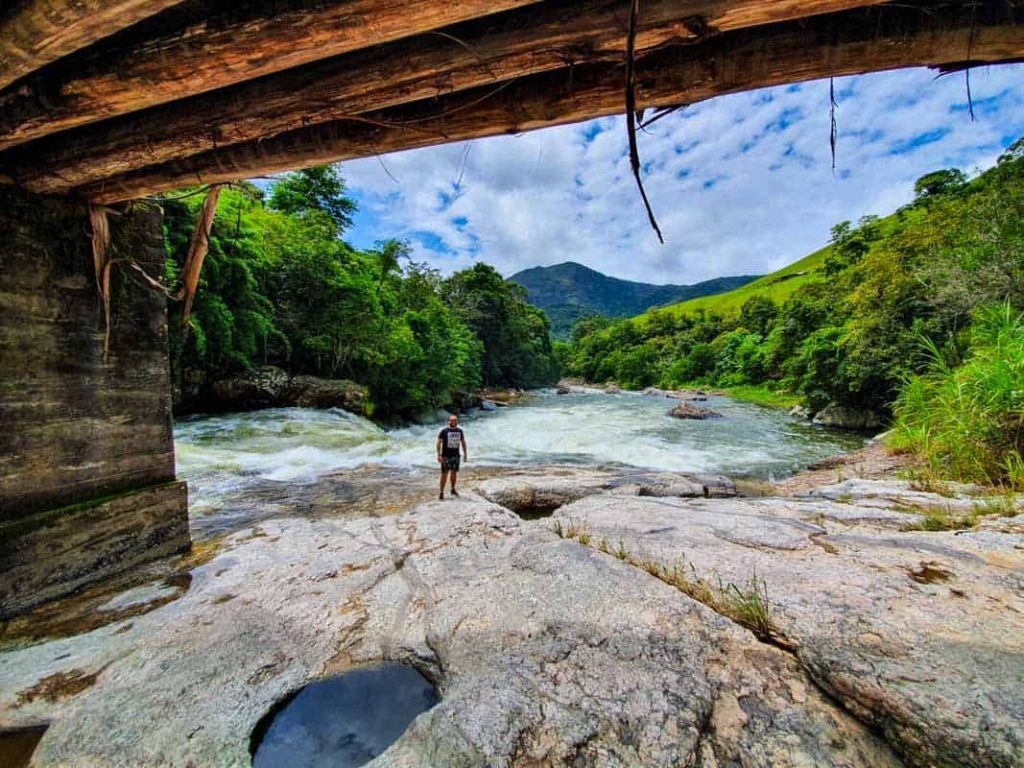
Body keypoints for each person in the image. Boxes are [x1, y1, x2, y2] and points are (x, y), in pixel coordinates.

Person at [436, 414, 468, 500]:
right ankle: (441, 492)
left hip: (456, 456)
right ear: (449, 421)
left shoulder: (460, 431)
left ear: (457, 422)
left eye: (455, 420)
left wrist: (465, 453)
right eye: (452, 420)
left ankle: (453, 489)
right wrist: (439, 455)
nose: (453, 422)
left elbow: (463, 442)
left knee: (454, 473)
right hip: (445, 456)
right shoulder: (444, 431)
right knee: (444, 474)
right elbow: (438, 443)